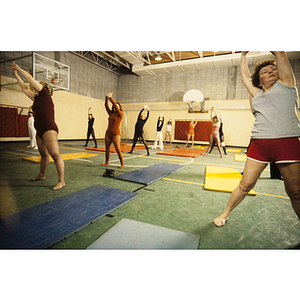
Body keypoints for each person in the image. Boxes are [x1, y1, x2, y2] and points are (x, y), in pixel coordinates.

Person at [214, 51, 300, 227]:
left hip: (287, 143)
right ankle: (225, 213)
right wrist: (243, 54)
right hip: (260, 144)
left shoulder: (287, 85)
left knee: (295, 191)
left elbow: (280, 54)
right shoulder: (257, 93)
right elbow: (245, 77)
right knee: (245, 185)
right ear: (259, 81)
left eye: (273, 69)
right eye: (265, 71)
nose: (271, 71)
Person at [11, 61, 65, 191]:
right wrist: (15, 74)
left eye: (39, 84)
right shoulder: (36, 99)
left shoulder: (45, 94)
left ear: (43, 87)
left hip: (49, 129)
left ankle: (61, 181)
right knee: (44, 154)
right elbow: (24, 88)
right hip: (40, 130)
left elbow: (29, 79)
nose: (35, 84)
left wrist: (18, 67)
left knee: (55, 155)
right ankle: (42, 175)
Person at [101, 92, 124, 169]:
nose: (115, 107)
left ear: (119, 107)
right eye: (114, 106)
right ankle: (107, 161)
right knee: (107, 148)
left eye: (117, 106)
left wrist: (111, 98)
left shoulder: (120, 114)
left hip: (116, 134)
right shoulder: (111, 114)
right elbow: (106, 106)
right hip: (108, 133)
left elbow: (115, 106)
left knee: (118, 149)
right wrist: (107, 98)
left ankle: (122, 163)